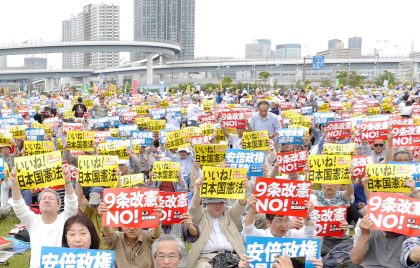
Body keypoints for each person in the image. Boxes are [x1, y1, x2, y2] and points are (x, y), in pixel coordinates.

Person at [9, 166, 78, 268]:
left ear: (59, 206)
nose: (46, 200)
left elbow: (72, 203)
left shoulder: (65, 219)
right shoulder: (32, 220)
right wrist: (15, 184)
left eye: (50, 198)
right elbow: (18, 205)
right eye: (43, 199)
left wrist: (67, 181)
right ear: (39, 205)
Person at [187, 177, 247, 268]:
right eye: (214, 203)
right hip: (206, 258)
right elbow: (195, 206)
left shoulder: (228, 213)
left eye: (221, 203)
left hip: (232, 257)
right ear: (207, 203)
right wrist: (198, 189)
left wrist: (243, 189)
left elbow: (240, 205)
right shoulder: (200, 215)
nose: (218, 206)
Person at [98, 201, 162, 268]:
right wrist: (104, 216)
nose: (131, 228)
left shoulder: (147, 236)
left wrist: (157, 221)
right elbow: (108, 234)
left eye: (136, 224)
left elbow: (155, 235)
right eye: (127, 224)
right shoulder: (117, 238)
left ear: (143, 224)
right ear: (121, 225)